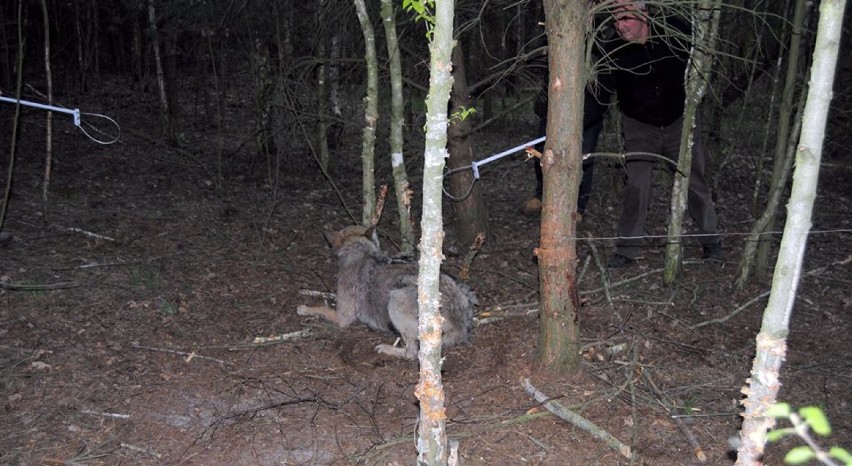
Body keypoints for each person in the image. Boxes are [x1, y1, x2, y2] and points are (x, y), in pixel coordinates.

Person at [601, 0, 722, 267]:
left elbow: (702, 56)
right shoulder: (613, 50)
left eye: (625, 20)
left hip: (679, 119)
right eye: (615, 21)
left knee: (694, 179)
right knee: (637, 183)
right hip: (639, 125)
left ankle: (711, 241)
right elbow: (600, 93)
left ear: (644, 14)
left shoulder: (674, 33)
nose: (619, 27)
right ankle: (626, 249)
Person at [522, 87, 607, 217]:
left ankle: (578, 208)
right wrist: (545, 108)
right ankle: (541, 194)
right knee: (541, 150)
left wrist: (575, 123)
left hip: (589, 114)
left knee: (584, 158)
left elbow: (604, 94)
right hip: (553, 112)